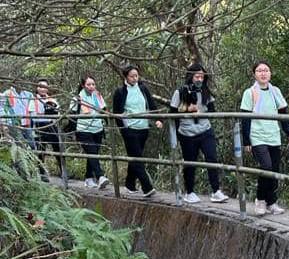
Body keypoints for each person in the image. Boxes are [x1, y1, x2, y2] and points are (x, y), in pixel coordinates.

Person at [240, 60, 289, 216]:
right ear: (254, 74)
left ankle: (271, 202)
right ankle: (260, 200)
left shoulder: (275, 91)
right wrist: (246, 141)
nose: (263, 73)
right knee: (266, 168)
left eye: (266, 70)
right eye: (259, 70)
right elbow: (244, 118)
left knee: (274, 170)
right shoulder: (250, 92)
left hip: (273, 136)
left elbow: (283, 114)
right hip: (257, 136)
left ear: (270, 73)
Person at [169, 63, 229, 204]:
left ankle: (216, 191)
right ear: (190, 76)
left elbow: (212, 111)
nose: (199, 79)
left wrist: (201, 111)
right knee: (190, 163)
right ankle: (189, 192)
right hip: (187, 133)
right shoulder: (180, 92)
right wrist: (186, 110)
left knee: (212, 158)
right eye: (197, 76)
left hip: (205, 130)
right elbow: (172, 113)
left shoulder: (206, 91)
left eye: (202, 76)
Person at [112, 64, 163, 199]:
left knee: (135, 156)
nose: (135, 78)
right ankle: (147, 187)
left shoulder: (143, 88)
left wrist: (158, 119)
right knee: (138, 158)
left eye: (136, 76)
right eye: (132, 76)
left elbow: (151, 104)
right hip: (130, 129)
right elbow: (116, 113)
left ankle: (129, 184)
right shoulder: (120, 92)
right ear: (125, 77)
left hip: (143, 128)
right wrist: (124, 129)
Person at [69, 75, 110, 189]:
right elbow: (72, 116)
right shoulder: (77, 98)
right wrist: (72, 133)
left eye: (93, 84)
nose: (91, 86)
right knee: (92, 152)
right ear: (83, 85)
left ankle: (88, 178)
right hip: (83, 130)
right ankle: (100, 176)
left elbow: (104, 110)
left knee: (93, 154)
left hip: (97, 129)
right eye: (88, 84)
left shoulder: (97, 95)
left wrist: (107, 121)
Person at [27, 79, 65, 181]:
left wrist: (52, 115)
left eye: (45, 87)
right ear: (37, 88)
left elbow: (58, 114)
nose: (43, 89)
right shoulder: (33, 100)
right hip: (39, 126)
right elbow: (33, 116)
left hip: (52, 126)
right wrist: (45, 114)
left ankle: (63, 171)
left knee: (58, 148)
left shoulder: (52, 100)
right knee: (41, 151)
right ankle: (42, 174)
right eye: (40, 86)